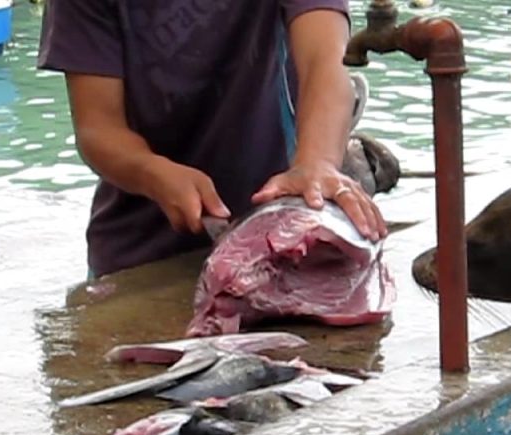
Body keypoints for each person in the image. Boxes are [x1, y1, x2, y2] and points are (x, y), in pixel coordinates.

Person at [36, 0, 388, 279]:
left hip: (286, 244)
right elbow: (98, 129)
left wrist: (318, 163)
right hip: (140, 258)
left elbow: (325, 63)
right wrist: (155, 173)